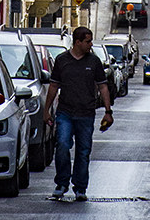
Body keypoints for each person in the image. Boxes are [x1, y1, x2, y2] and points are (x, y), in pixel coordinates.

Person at [44, 26, 113, 201]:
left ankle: (80, 188)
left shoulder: (94, 62)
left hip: (86, 114)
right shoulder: (62, 60)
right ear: (78, 42)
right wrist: (46, 110)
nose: (91, 45)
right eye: (88, 41)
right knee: (62, 146)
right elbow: (53, 86)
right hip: (65, 112)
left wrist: (108, 111)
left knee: (83, 151)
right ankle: (61, 183)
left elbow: (103, 86)